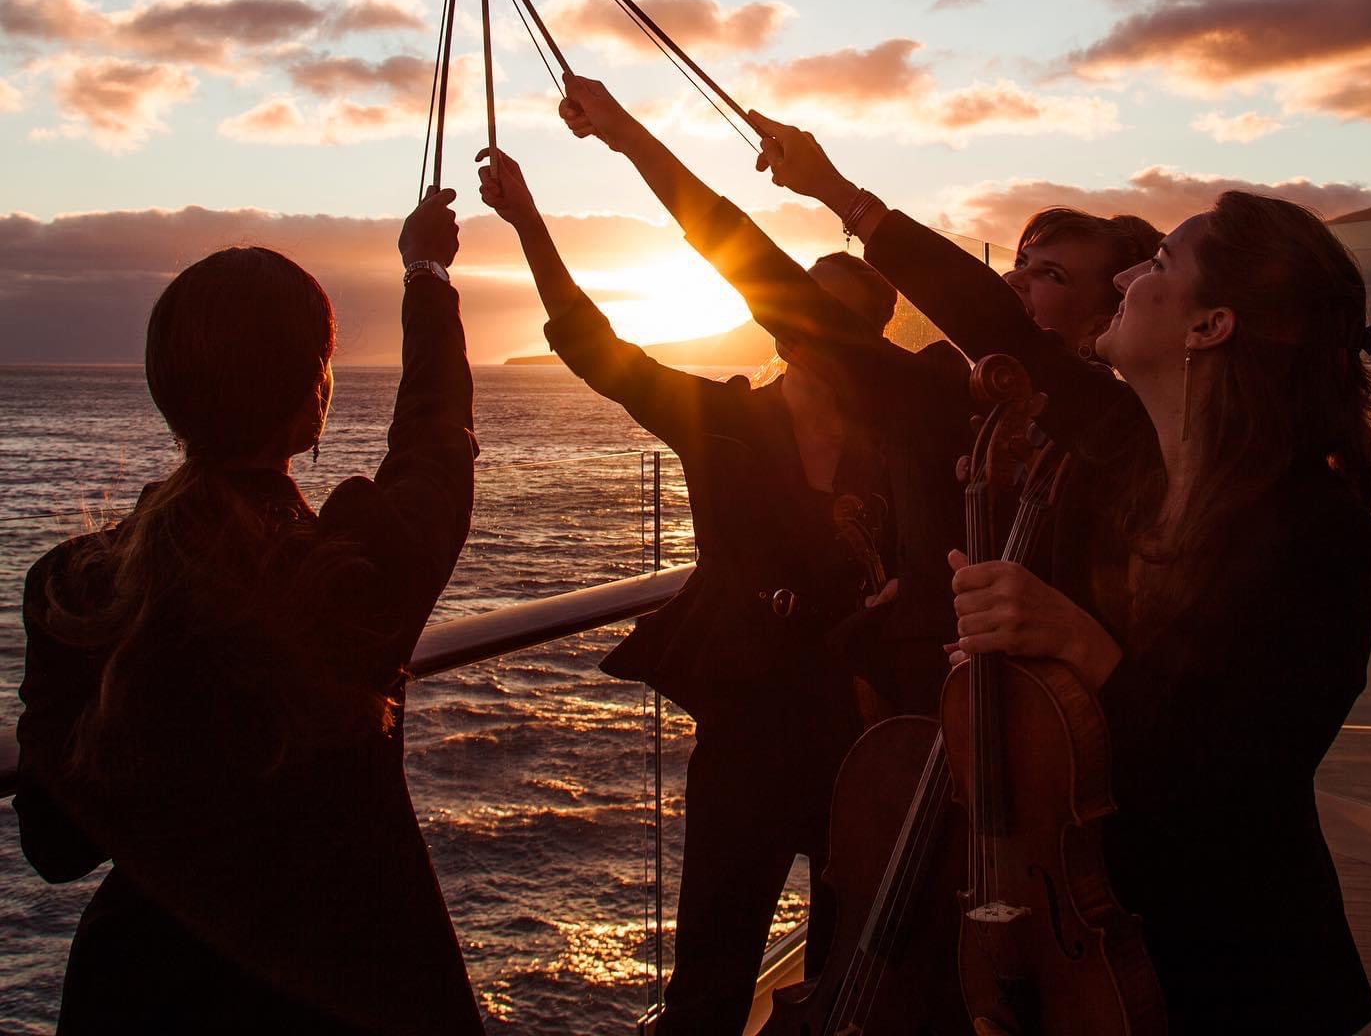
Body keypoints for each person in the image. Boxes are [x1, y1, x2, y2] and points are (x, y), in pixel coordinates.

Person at [755, 118, 1371, 1032]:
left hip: (1237, 969)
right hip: (1099, 945)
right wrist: (838, 194)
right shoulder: (1131, 458)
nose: (1130, 278)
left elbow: (1237, 784)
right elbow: (993, 319)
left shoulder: (1318, 533)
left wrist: (1074, 642)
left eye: (1160, 267)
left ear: (1212, 326)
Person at [16, 189, 485, 1035]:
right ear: (317, 392)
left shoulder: (73, 587)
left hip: (137, 995)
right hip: (345, 988)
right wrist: (425, 272)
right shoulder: (350, 567)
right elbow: (435, 439)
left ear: (170, 394)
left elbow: (56, 847)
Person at [555, 73, 1160, 716]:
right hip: (919, 723)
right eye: (1021, 262)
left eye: (1053, 276)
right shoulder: (938, 397)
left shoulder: (1133, 452)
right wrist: (630, 138)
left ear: (1104, 320)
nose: (1013, 280)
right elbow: (769, 280)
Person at [477, 144, 895, 1036]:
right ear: (783, 324)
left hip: (863, 744)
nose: (823, 333)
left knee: (846, 981)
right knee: (707, 987)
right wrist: (530, 224)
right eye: (809, 312)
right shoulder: (727, 423)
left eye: (846, 319)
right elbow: (599, 351)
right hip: (744, 738)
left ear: (877, 338)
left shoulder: (907, 455)